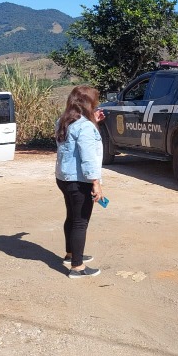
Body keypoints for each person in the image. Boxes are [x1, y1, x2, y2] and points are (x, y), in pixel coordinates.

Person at [55, 85, 106, 278]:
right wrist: (96, 183)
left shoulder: (63, 121)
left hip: (64, 178)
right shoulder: (84, 126)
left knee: (72, 216)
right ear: (88, 103)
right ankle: (77, 267)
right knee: (80, 222)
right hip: (80, 180)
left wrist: (94, 122)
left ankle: (71, 253)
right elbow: (87, 157)